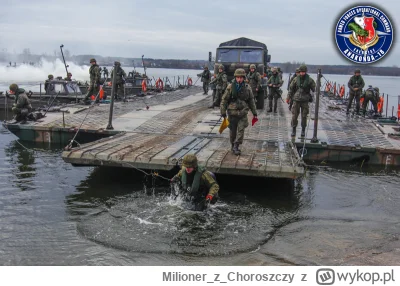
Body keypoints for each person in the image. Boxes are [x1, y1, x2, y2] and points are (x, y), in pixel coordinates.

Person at [220, 68, 257, 155]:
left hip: (243, 112)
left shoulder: (247, 88)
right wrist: (223, 112)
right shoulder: (230, 87)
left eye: (241, 77)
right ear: (235, 77)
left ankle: (237, 145)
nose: (239, 79)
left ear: (244, 78)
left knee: (241, 130)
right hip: (232, 113)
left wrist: (254, 112)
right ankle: (232, 145)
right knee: (232, 131)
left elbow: (251, 100)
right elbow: (224, 100)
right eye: (238, 77)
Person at [287, 65, 316, 137]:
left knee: (304, 116)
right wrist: (288, 97)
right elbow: (291, 89)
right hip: (296, 100)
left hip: (305, 100)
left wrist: (318, 83)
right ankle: (293, 130)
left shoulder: (310, 80)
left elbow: (314, 89)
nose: (302, 73)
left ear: (305, 72)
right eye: (301, 72)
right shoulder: (295, 79)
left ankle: (303, 130)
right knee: (294, 116)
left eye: (303, 72)